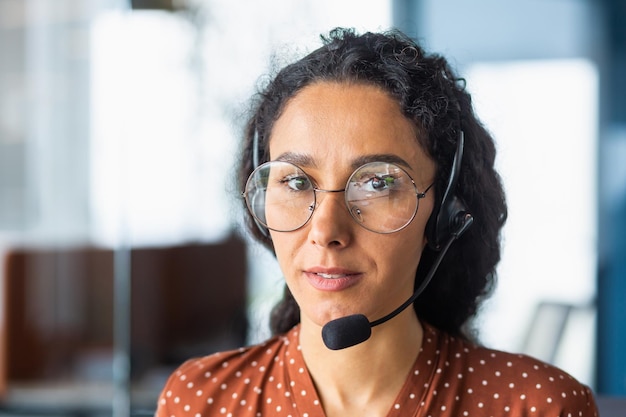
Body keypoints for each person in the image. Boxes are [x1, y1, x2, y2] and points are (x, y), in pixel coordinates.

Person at [156, 28, 598, 416]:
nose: (326, 231)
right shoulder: (200, 401)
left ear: (445, 212)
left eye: (378, 183)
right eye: (294, 182)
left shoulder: (537, 406)